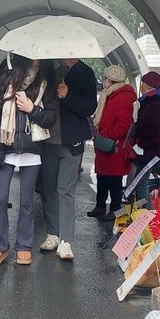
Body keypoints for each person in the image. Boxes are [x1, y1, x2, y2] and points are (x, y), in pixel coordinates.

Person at [0, 55, 56, 266]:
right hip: (5, 149)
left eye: (40, 57)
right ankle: (0, 245)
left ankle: (23, 246)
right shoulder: (3, 82)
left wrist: (31, 109)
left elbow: (51, 118)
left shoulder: (44, 84)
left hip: (32, 150)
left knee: (26, 202)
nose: (37, 60)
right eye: (33, 56)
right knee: (0, 199)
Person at [39, 58, 97, 261]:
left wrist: (68, 95)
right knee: (48, 189)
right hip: (47, 140)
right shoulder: (47, 69)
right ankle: (52, 234)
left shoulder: (85, 72)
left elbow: (90, 107)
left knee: (65, 190)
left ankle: (66, 240)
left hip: (71, 142)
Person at [87, 65, 135, 221]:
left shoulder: (122, 97)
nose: (104, 82)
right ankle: (100, 207)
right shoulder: (111, 94)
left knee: (114, 179)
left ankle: (115, 209)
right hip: (106, 146)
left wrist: (107, 136)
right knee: (102, 176)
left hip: (113, 147)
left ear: (111, 80)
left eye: (106, 78)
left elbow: (124, 123)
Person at [130, 71, 160, 208]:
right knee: (140, 182)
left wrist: (140, 144)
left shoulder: (154, 103)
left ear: (147, 85)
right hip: (150, 152)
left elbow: (155, 131)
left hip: (149, 153)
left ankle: (146, 216)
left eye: (142, 84)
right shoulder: (154, 101)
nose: (141, 87)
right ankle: (142, 214)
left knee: (141, 184)